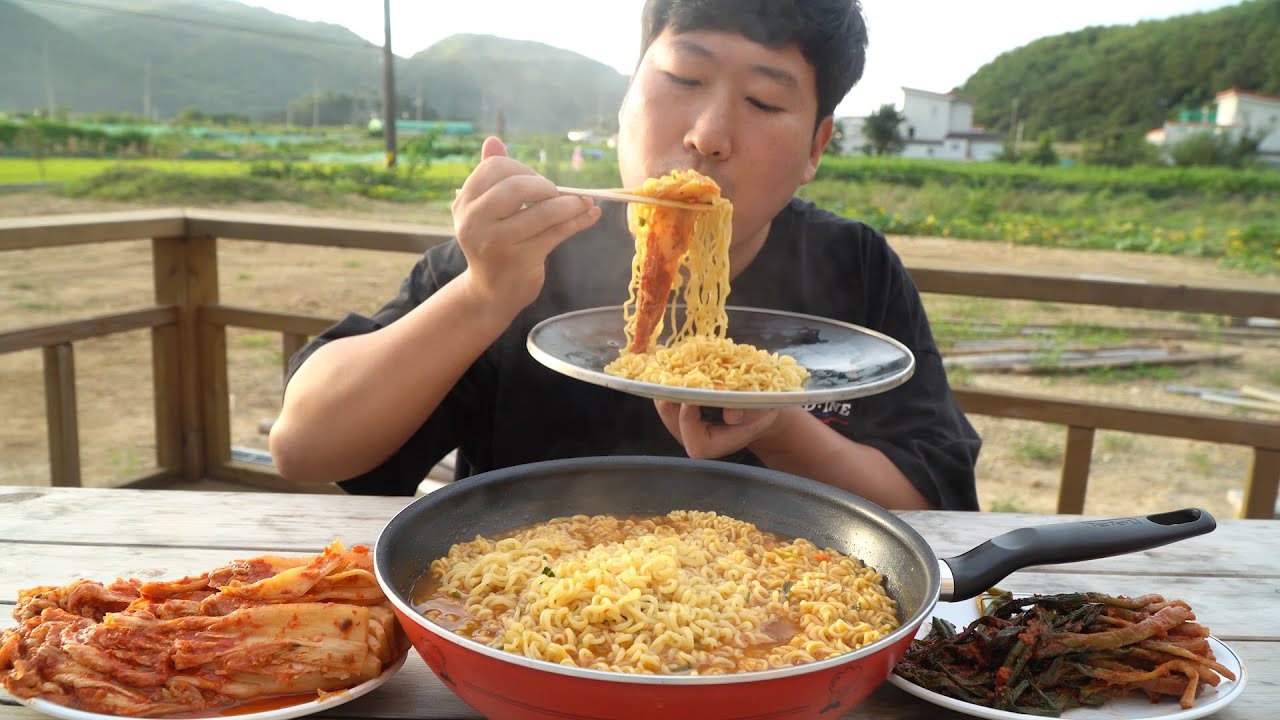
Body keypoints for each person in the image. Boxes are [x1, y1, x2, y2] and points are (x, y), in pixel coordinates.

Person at [269, 0, 982, 510]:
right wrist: (481, 297)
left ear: (816, 149)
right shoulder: (521, 259)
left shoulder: (853, 264)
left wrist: (781, 428)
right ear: (626, 98)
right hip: (532, 617)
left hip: (782, 628)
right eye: (682, 79)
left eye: (764, 102)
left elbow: (930, 499)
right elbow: (305, 446)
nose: (707, 135)